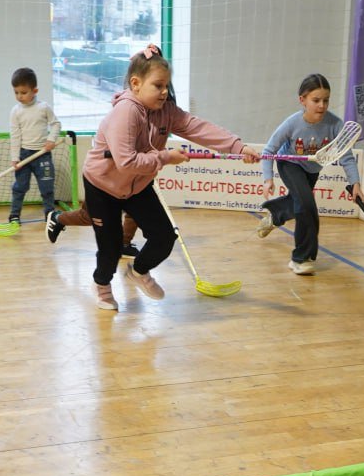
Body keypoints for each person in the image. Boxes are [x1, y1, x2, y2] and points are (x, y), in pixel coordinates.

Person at [81, 44, 260, 311]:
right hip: (102, 186)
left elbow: (197, 127)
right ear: (136, 83)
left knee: (164, 237)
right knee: (110, 248)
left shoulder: (166, 110)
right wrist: (165, 157)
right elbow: (127, 162)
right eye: (158, 85)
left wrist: (238, 147)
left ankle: (139, 271)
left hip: (137, 185)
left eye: (167, 85)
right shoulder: (126, 112)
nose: (164, 91)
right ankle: (102, 285)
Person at [255, 74, 362, 275]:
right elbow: (269, 151)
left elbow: (346, 156)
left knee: (299, 204)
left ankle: (275, 215)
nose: (322, 105)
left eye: (326, 100)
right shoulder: (291, 123)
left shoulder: (335, 125)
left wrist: (355, 183)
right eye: (316, 100)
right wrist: (267, 179)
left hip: (312, 169)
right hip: (289, 164)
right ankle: (301, 258)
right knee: (306, 205)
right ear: (302, 100)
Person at [7, 67, 62, 226]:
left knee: (47, 187)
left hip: (42, 154)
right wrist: (15, 158)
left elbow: (56, 124)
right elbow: (15, 135)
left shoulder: (43, 107)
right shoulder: (15, 111)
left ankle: (50, 215)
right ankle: (14, 215)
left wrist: (51, 139)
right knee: (20, 187)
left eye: (23, 92)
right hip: (24, 155)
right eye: (16, 92)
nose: (19, 96)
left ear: (35, 90)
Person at [45, 203, 142, 258]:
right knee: (91, 215)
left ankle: (123, 244)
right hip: (100, 177)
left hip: (130, 178)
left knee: (136, 208)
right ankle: (58, 218)